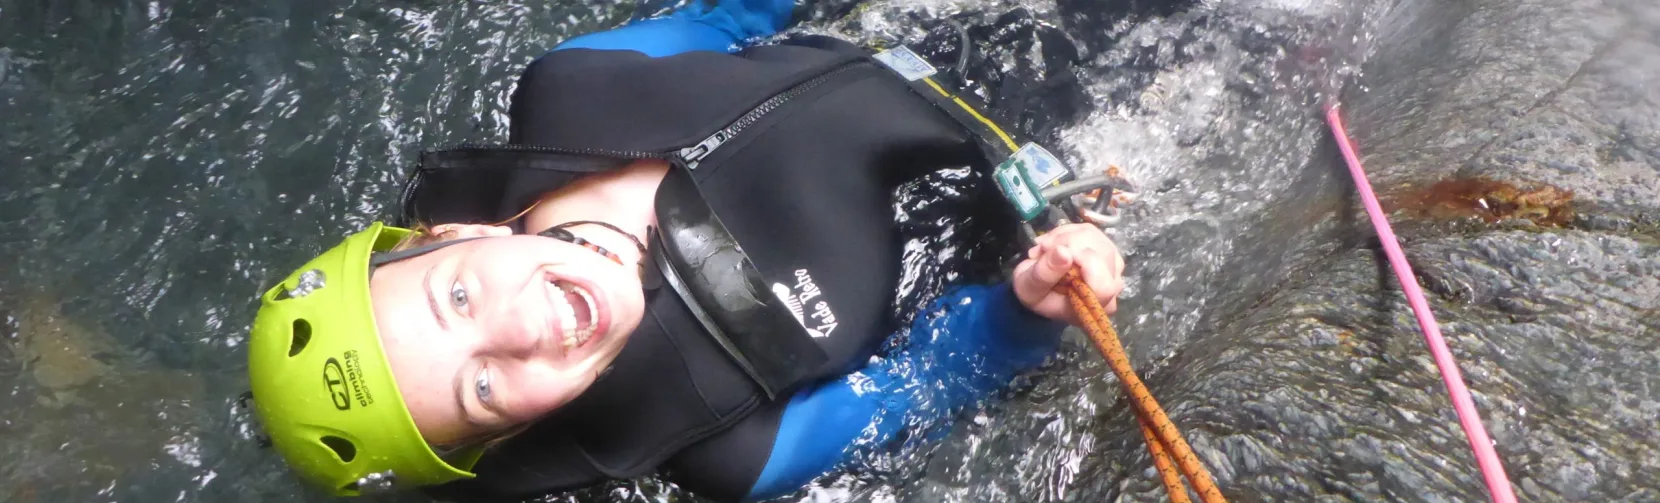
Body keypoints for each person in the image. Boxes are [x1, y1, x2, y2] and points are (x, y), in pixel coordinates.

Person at [244, 1, 1127, 501]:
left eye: (459, 300)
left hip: (942, 34)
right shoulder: (736, 439)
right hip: (1077, 157)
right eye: (481, 389)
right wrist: (1033, 300)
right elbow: (939, 371)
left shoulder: (570, 89)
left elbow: (733, 17)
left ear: (455, 235)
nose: (520, 327)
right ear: (518, 430)